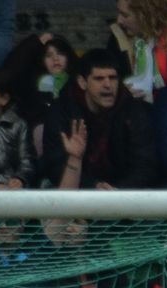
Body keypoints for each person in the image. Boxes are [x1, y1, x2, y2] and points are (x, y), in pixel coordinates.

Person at [41, 49, 155, 190]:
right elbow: (55, 165)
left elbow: (145, 164)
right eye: (99, 79)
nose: (108, 85)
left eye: (112, 78)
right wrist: (93, 186)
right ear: (82, 82)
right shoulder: (61, 110)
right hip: (77, 190)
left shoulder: (132, 109)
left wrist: (119, 191)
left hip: (124, 193)